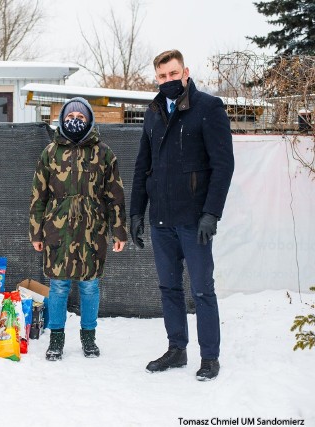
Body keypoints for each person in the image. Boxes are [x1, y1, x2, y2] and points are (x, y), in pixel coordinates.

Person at [129, 49, 234, 381]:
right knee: (169, 288)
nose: (168, 81)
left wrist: (211, 213)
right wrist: (136, 213)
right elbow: (142, 166)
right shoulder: (153, 111)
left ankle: (210, 357)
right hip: (161, 219)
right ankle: (177, 350)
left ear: (185, 72)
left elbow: (223, 165)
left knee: (202, 289)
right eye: (162, 76)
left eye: (173, 75)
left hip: (194, 221)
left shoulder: (208, 108)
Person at [29, 97, 128, 361]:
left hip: (92, 232)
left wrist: (119, 232)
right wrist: (36, 233)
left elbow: (115, 195)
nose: (75, 120)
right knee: (59, 286)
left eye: (81, 117)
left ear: (89, 121)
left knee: (89, 287)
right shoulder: (50, 153)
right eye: (71, 116)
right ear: (62, 120)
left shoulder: (104, 153)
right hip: (57, 232)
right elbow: (38, 196)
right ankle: (56, 339)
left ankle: (89, 338)